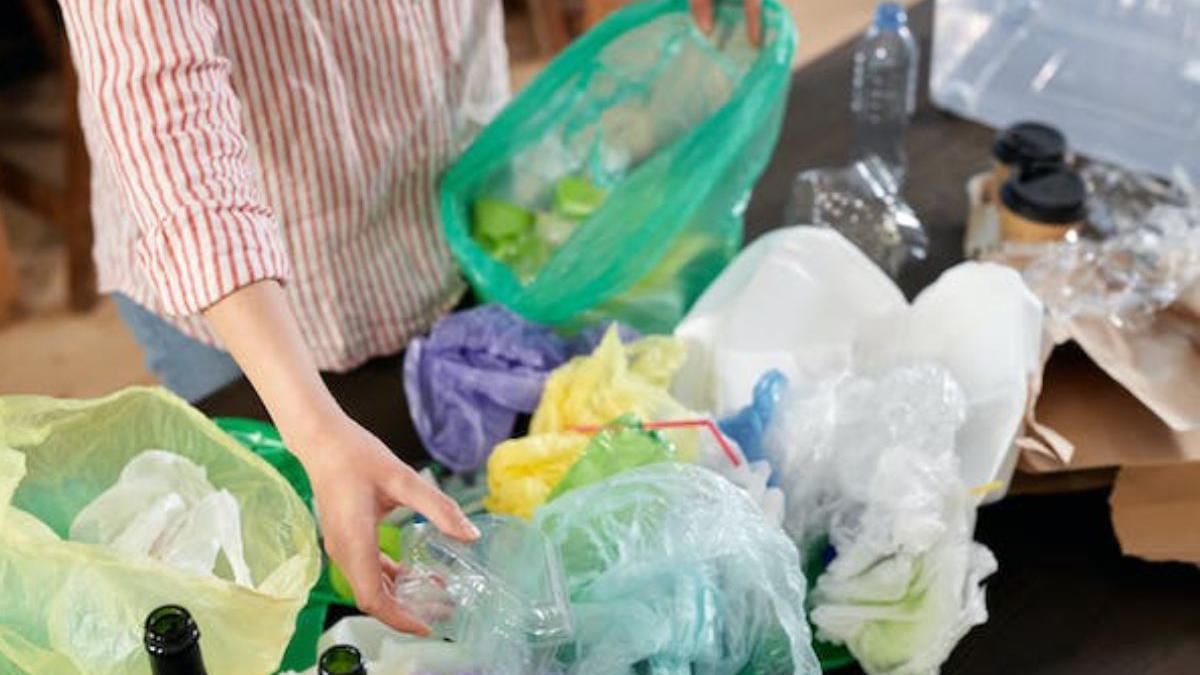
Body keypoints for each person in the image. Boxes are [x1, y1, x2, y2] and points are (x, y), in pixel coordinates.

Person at [59, 0, 762, 634]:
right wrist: (315, 430)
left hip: (443, 188)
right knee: (276, 532)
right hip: (249, 300)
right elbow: (165, 110)